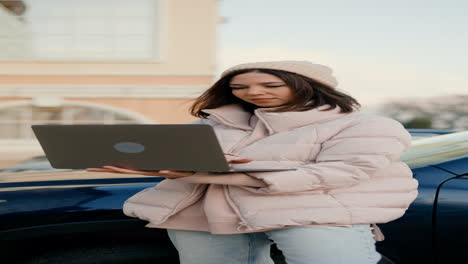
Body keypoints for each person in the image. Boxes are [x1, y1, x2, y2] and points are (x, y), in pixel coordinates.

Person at [87, 60, 418, 264]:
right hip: (207, 212)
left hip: (314, 211)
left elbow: (346, 170)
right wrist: (144, 164)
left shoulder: (365, 124)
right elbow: (181, 160)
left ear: (311, 87)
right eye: (239, 86)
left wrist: (229, 171)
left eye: (270, 84)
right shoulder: (211, 123)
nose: (253, 92)